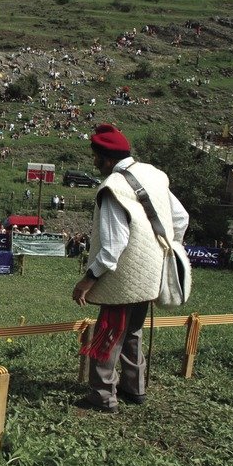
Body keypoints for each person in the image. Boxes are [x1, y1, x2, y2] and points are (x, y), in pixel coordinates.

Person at [71, 124, 189, 414]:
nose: (95, 162)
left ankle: (102, 396)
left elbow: (113, 245)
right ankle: (134, 388)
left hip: (123, 277)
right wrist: (160, 251)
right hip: (151, 273)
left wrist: (87, 280)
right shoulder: (154, 174)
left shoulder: (113, 187)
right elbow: (181, 218)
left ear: (107, 158)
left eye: (96, 157)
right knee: (132, 331)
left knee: (108, 333)